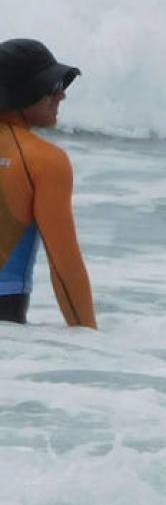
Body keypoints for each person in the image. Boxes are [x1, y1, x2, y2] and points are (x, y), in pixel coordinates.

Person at [0, 39, 96, 328]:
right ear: (23, 93)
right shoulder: (43, 160)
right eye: (53, 87)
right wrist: (94, 349)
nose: (62, 96)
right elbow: (64, 266)